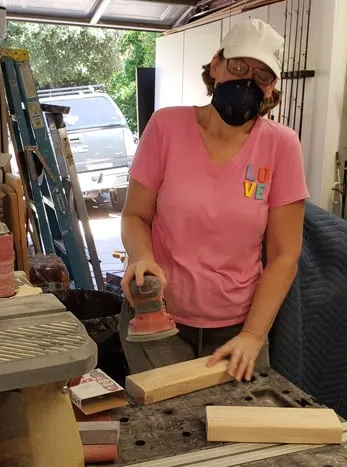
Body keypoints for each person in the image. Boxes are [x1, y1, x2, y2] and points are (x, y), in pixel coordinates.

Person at [118, 18, 310, 382]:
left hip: (237, 330)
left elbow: (285, 256)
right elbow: (134, 216)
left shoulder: (281, 146)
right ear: (216, 65)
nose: (247, 80)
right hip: (157, 319)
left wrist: (253, 336)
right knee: (173, 428)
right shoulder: (166, 128)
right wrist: (142, 257)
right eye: (239, 66)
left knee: (240, 432)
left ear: (271, 89)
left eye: (262, 75)